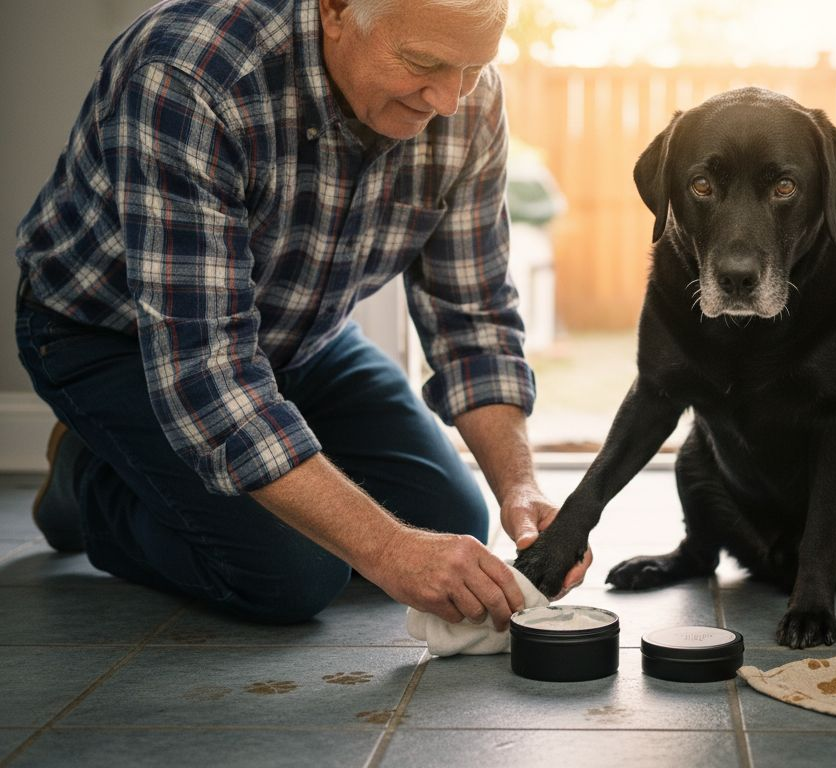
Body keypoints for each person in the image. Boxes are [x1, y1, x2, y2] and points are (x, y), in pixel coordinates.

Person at [13, 0, 589, 631]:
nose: (450, 99)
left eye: (474, 67)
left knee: (449, 525)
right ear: (337, 10)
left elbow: (472, 319)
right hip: (113, 337)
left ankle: (182, 466)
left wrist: (520, 486)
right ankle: (89, 481)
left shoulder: (469, 103)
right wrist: (389, 550)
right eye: (424, 62)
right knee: (295, 572)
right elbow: (210, 373)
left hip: (303, 336)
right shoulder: (189, 72)